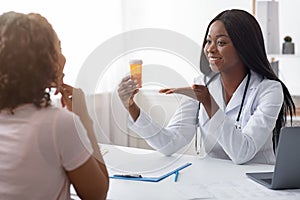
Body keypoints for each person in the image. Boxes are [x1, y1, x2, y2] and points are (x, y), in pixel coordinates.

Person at [118, 9, 295, 165]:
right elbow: (169, 144)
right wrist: (132, 107)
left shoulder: (269, 90)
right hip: (212, 179)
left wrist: (209, 103)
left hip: (255, 181)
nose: (210, 49)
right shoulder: (202, 84)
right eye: (208, 41)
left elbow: (242, 153)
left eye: (221, 43)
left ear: (244, 47)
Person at [0, 11, 109, 199]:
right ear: (44, 61)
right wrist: (83, 119)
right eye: (58, 48)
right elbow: (97, 195)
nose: (64, 58)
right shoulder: (57, 123)